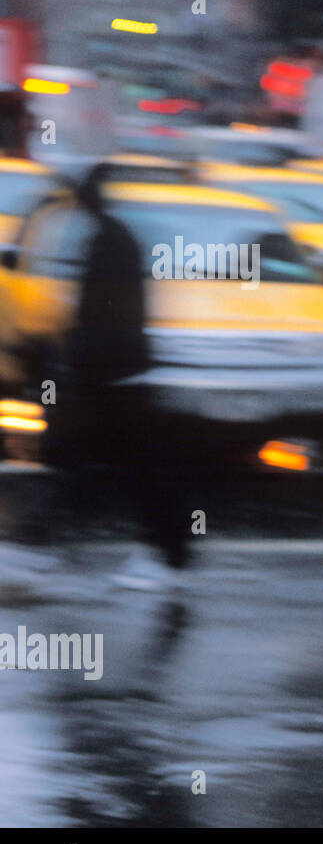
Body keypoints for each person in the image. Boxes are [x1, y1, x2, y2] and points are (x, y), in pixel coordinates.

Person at [60, 162, 190, 588]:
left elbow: (101, 311)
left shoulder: (109, 241)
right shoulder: (114, 236)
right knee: (134, 468)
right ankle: (170, 552)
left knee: (133, 468)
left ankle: (170, 555)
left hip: (115, 373)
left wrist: (82, 361)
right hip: (119, 370)